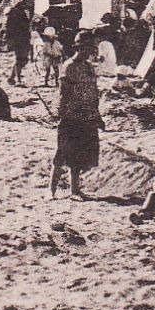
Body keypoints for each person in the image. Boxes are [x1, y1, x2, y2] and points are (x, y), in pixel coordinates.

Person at [52, 36, 103, 200]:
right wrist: (61, 112)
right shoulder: (68, 67)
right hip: (71, 116)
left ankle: (75, 190)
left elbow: (94, 93)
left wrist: (97, 115)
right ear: (78, 48)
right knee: (62, 153)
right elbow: (63, 93)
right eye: (85, 49)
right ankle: (51, 189)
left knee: (80, 154)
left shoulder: (88, 67)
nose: (88, 52)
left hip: (86, 116)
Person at [5, 2, 33, 84]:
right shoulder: (14, 14)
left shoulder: (24, 13)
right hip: (18, 40)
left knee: (24, 60)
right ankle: (18, 79)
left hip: (25, 39)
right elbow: (9, 29)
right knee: (20, 59)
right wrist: (10, 40)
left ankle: (11, 77)